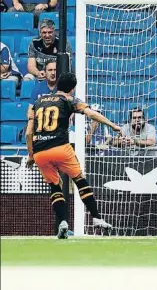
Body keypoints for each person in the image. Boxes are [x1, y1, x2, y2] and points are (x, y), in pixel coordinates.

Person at [25, 72, 121, 239]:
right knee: (79, 180)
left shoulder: (38, 102)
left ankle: (62, 222)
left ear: (57, 85)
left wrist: (31, 155)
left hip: (40, 151)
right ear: (73, 88)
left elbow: (28, 133)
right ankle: (97, 218)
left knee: (55, 186)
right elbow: (91, 114)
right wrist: (112, 125)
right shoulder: (69, 100)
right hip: (61, 147)